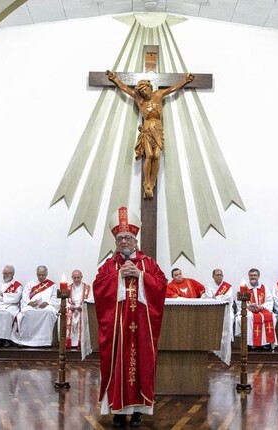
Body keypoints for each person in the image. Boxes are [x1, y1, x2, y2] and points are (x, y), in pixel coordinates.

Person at [92, 206, 167, 428]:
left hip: (142, 327)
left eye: (128, 237)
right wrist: (117, 277)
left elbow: (162, 286)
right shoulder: (109, 265)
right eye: (120, 238)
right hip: (117, 329)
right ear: (115, 241)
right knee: (117, 365)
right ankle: (117, 411)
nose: (124, 241)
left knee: (142, 364)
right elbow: (98, 288)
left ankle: (137, 412)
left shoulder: (148, 264)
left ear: (135, 240)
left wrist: (141, 276)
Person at [106, 70, 194, 198]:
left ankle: (152, 182)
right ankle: (146, 181)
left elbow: (172, 89)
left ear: (149, 87)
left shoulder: (158, 95)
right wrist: (115, 79)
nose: (144, 93)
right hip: (147, 130)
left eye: (146, 90)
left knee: (157, 156)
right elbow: (125, 89)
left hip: (158, 129)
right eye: (142, 92)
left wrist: (185, 80)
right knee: (149, 156)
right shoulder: (139, 100)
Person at [11, 265, 59, 347]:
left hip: (46, 306)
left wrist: (47, 302)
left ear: (46, 274)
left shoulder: (52, 285)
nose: (41, 277)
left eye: (42, 275)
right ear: (36, 274)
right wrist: (29, 302)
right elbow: (25, 296)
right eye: (39, 275)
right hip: (32, 306)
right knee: (25, 312)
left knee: (49, 312)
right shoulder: (30, 284)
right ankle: (25, 339)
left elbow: (55, 298)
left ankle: (44, 341)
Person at [235, 268, 276, 350]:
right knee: (249, 317)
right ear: (248, 276)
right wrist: (248, 307)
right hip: (249, 310)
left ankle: (265, 343)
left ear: (258, 276)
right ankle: (251, 344)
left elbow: (269, 301)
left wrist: (261, 307)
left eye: (255, 275)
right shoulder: (244, 288)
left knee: (270, 317)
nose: (253, 277)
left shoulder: (265, 288)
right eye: (251, 275)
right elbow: (239, 302)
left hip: (262, 309)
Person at [65, 269, 90, 349]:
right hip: (71, 309)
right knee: (66, 317)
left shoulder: (87, 288)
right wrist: (70, 306)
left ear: (81, 277)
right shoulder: (68, 288)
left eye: (78, 278)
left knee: (82, 317)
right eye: (74, 278)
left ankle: (80, 342)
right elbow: (64, 301)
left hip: (82, 309)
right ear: (72, 277)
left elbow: (90, 300)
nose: (76, 280)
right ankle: (70, 342)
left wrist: (82, 306)